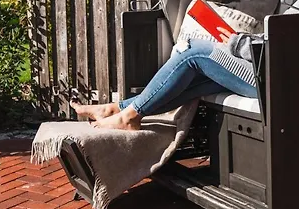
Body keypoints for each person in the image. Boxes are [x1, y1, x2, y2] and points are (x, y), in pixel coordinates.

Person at [71, 27, 260, 131]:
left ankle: (129, 117)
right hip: (262, 71)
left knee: (192, 53)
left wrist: (239, 43)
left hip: (267, 78)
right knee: (194, 81)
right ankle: (114, 110)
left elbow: (273, 48)